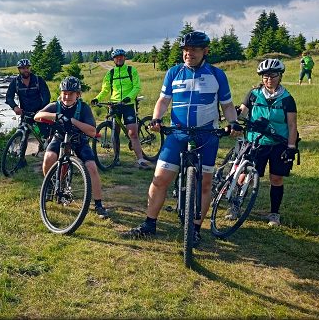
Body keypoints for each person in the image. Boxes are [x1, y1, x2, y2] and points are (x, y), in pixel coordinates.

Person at [121, 31, 243, 245]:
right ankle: (149, 224)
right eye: (186, 50)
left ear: (205, 51)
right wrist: (157, 118)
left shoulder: (217, 75)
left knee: (205, 185)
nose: (189, 54)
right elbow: (163, 100)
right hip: (178, 133)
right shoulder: (174, 72)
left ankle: (195, 229)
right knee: (159, 180)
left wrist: (232, 122)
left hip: (206, 134)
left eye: (194, 50)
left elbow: (227, 105)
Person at [35, 76, 110, 219]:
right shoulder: (56, 105)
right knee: (49, 158)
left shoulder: (84, 108)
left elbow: (92, 131)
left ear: (78, 95)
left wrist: (73, 121)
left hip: (79, 140)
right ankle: (51, 185)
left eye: (71, 93)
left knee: (92, 167)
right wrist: (55, 116)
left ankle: (99, 204)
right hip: (59, 137)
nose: (67, 96)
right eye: (64, 92)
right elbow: (37, 116)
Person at [236, 59, 298, 227]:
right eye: (265, 76)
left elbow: (292, 125)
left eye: (273, 75)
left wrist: (291, 147)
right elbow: (242, 113)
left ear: (280, 76)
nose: (269, 79)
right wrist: (235, 114)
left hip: (279, 143)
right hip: (256, 141)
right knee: (245, 174)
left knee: (276, 178)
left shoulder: (287, 99)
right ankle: (236, 206)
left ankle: (274, 213)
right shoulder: (253, 94)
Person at [90, 48, 153, 170]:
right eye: (116, 57)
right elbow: (105, 89)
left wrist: (129, 98)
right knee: (115, 132)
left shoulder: (131, 70)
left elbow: (136, 87)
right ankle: (116, 158)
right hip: (114, 104)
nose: (119, 59)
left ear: (124, 58)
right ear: (113, 59)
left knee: (132, 133)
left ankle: (140, 160)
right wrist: (97, 98)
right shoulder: (111, 73)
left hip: (127, 105)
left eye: (121, 57)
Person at [5, 59, 52, 166]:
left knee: (45, 134)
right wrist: (15, 107)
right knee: (23, 134)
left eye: (27, 68)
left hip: (39, 111)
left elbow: (46, 96)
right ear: (19, 70)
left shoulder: (38, 80)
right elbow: (9, 97)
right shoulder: (15, 82)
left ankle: (50, 152)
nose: (26, 70)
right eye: (23, 68)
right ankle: (21, 160)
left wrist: (42, 109)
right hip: (25, 113)